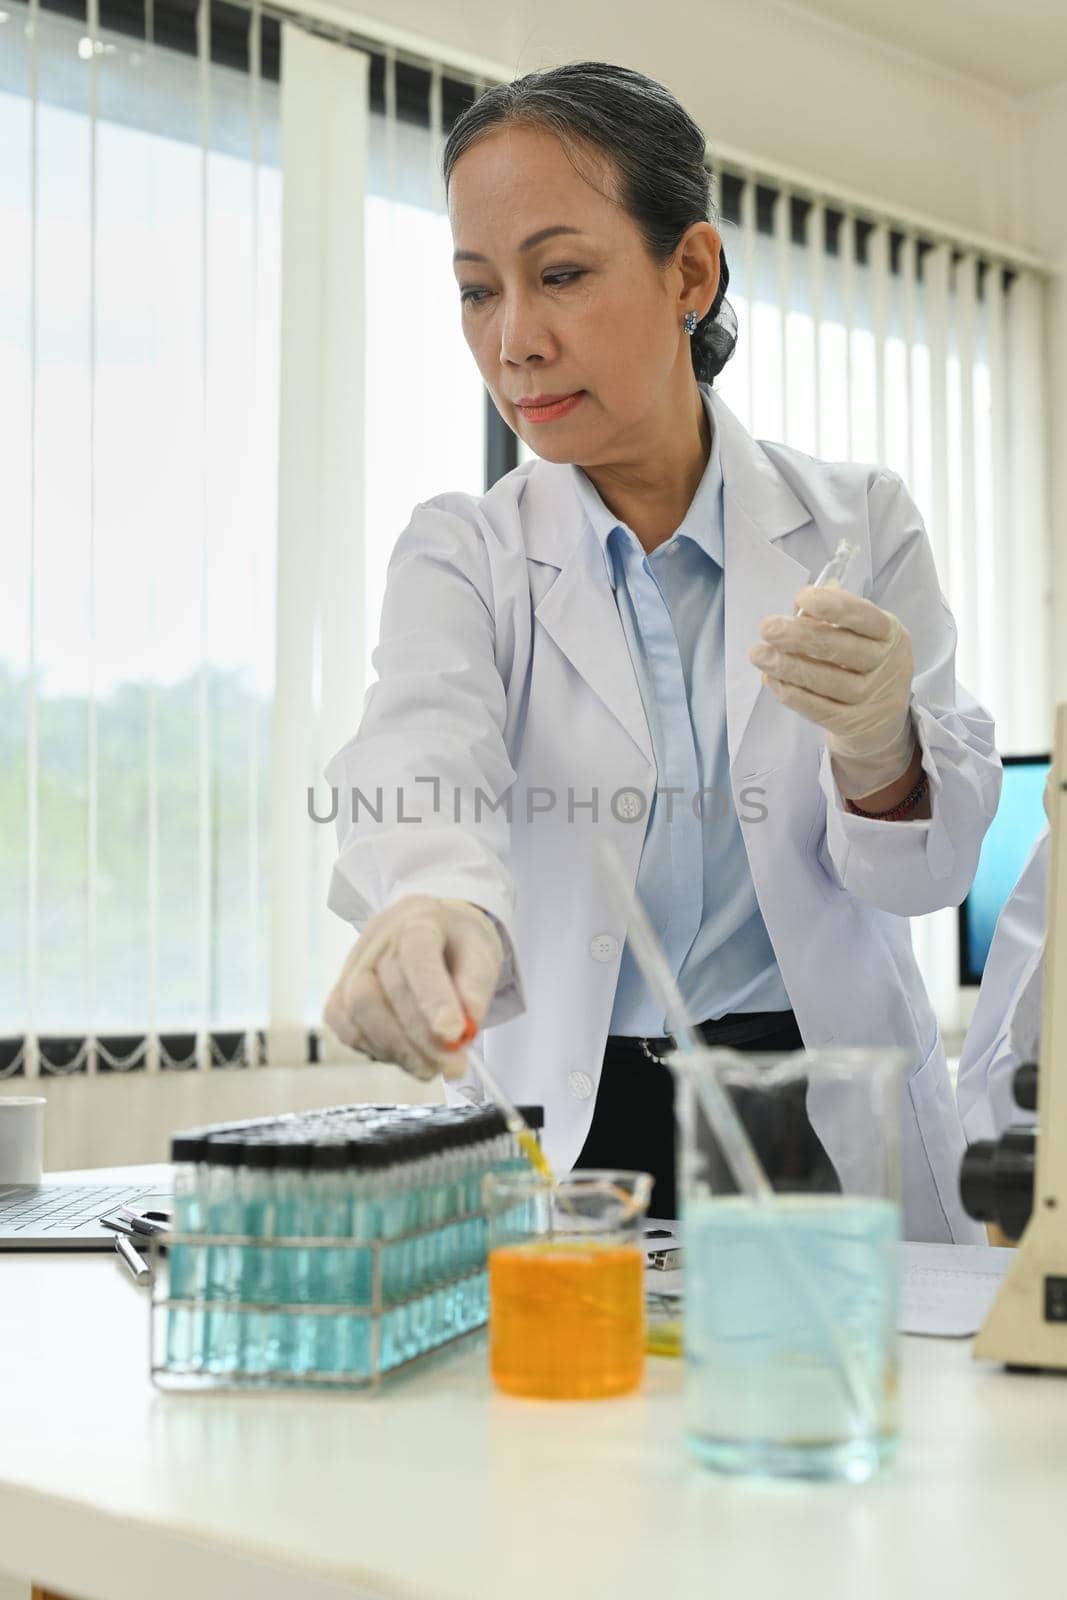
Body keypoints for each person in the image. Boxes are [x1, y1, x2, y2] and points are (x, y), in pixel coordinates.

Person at [321, 61, 1002, 1242]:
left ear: (688, 270)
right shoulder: (463, 552)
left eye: (561, 274)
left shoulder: (856, 526)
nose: (514, 341)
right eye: (477, 292)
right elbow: (424, 744)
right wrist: (441, 907)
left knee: (834, 1421)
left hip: (816, 1118)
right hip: (578, 1134)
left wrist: (880, 748)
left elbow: (919, 880)